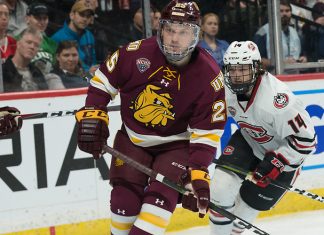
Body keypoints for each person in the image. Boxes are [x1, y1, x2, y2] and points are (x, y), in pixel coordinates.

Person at [75, 1, 227, 234]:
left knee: (157, 205)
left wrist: (196, 173)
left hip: (176, 147)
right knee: (122, 204)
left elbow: (207, 131)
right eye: (169, 30)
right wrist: (94, 114)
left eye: (183, 32)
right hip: (133, 140)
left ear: (195, 35)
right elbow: (102, 82)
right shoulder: (134, 53)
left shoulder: (209, 75)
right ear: (161, 29)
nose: (175, 39)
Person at [209, 41, 317, 235]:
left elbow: (308, 141)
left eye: (242, 69)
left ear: (257, 68)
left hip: (283, 157)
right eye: (232, 69)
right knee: (219, 189)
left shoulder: (278, 100)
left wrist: (277, 161)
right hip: (249, 140)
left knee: (245, 212)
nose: (236, 75)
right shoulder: (224, 88)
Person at [253, 0, 307, 70]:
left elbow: (301, 54)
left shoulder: (295, 32)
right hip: (273, 77)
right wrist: (280, 62)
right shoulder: (263, 33)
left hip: (295, 76)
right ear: (274, 12)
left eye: (287, 11)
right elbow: (257, 61)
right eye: (281, 11)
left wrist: (303, 59)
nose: (284, 14)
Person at [51, 0, 97, 73]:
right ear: (72, 15)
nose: (85, 19)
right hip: (68, 80)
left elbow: (93, 62)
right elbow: (54, 67)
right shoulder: (57, 38)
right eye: (82, 15)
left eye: (88, 16)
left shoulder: (89, 35)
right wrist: (87, 71)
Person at [2, 27, 48, 92]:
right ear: (18, 44)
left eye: (36, 45)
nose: (32, 47)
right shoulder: (3, 71)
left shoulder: (37, 72)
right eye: (29, 42)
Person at [23, 2, 57, 75]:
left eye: (45, 18)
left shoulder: (52, 43)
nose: (42, 22)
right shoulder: (17, 40)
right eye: (38, 18)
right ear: (27, 19)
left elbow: (57, 70)